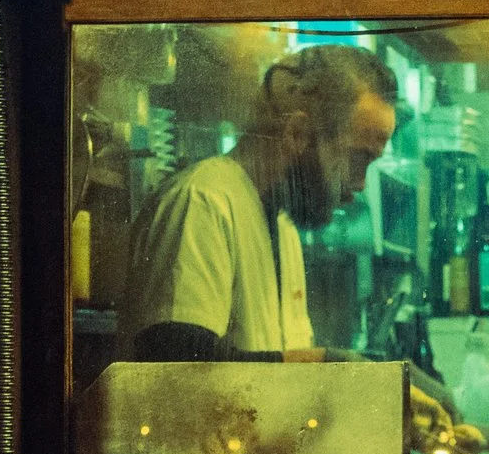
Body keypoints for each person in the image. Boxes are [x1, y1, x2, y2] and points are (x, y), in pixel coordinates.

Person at [120, 41, 399, 363]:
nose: (361, 183)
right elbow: (178, 364)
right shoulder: (203, 202)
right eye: (357, 157)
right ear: (299, 134)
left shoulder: (284, 230)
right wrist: (326, 364)